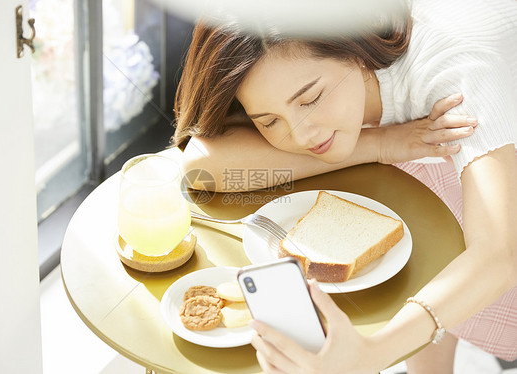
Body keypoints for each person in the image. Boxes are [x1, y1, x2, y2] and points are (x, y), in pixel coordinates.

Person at [173, 0, 517, 372]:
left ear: (352, 47)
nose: (302, 135)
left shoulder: (452, 73)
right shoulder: (342, 92)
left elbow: (498, 255)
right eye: (269, 122)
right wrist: (380, 143)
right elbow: (201, 166)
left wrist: (373, 354)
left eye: (310, 99)